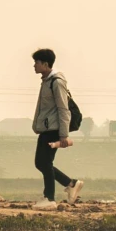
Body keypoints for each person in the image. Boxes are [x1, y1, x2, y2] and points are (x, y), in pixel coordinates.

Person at [31, 48, 84, 203]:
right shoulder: (46, 81)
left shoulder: (56, 82)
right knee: (41, 163)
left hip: (54, 129)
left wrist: (63, 135)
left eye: (37, 62)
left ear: (45, 64)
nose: (34, 66)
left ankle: (49, 199)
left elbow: (63, 109)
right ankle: (70, 183)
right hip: (47, 128)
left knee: (44, 163)